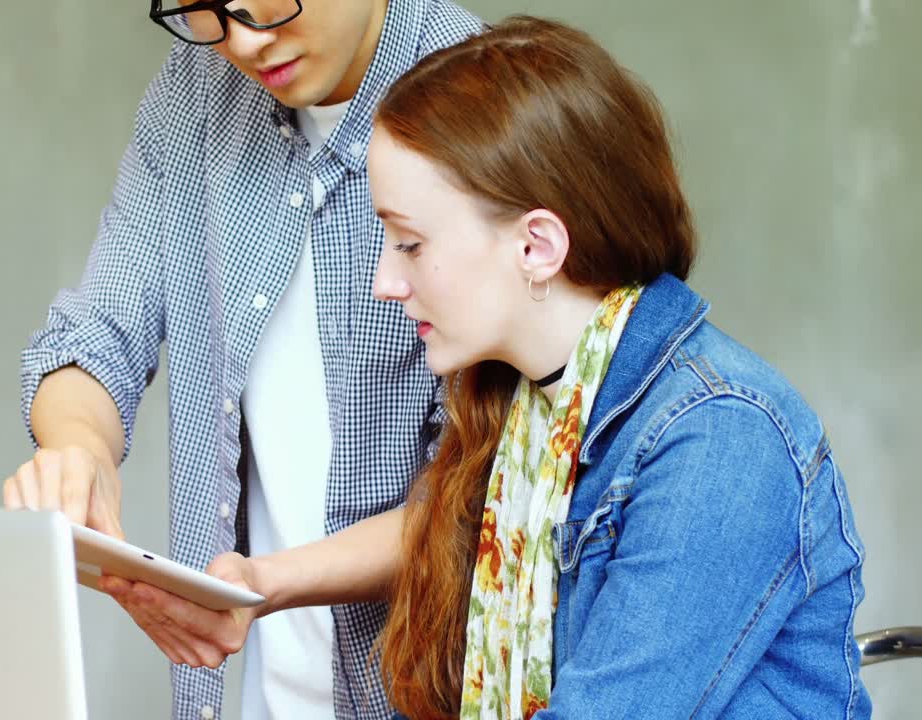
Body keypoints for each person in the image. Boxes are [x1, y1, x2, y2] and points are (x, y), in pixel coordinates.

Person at [154, 14, 873, 719]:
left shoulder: (720, 441)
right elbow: (438, 566)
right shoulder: (524, 413)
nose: (385, 281)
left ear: (537, 247)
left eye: (408, 243)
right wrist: (257, 584)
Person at [0, 1, 484, 719]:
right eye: (205, 11)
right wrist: (80, 451)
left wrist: (261, 582)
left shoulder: (486, 95)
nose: (246, 43)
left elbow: (479, 492)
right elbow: (96, 330)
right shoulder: (194, 88)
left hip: (427, 693)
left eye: (267, 2)